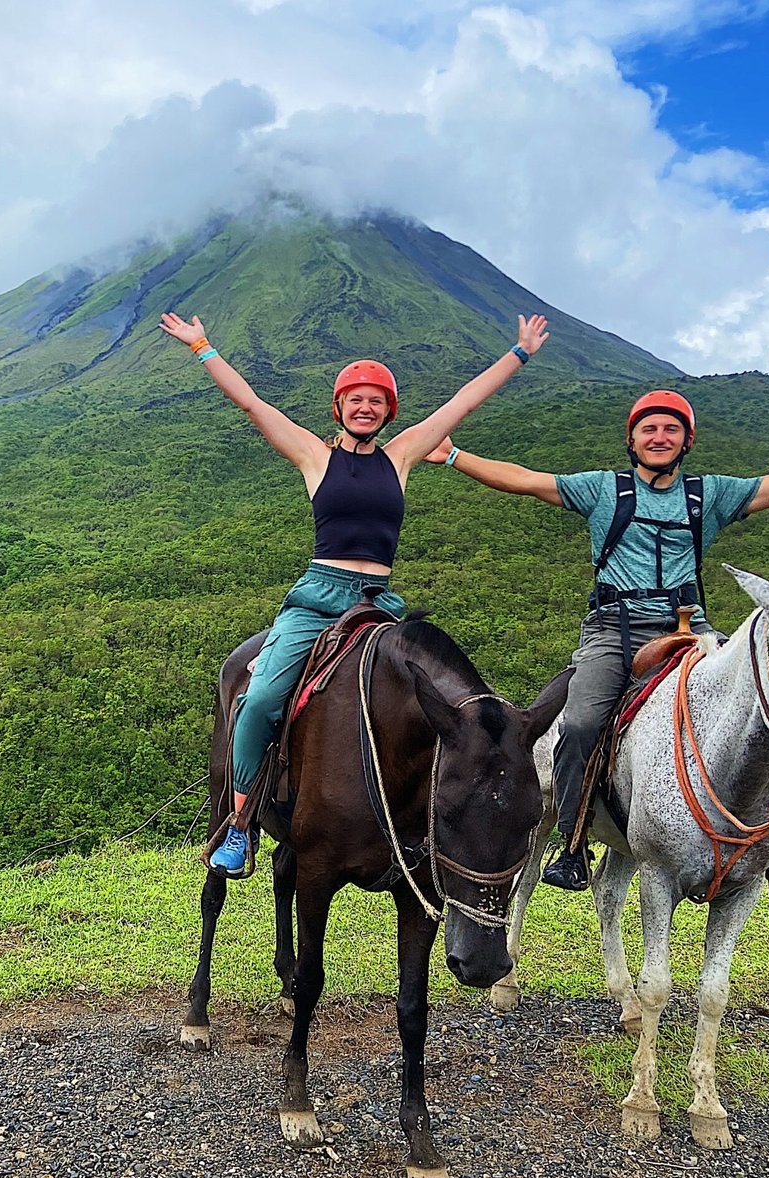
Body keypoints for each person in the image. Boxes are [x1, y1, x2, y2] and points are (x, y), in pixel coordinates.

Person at [429, 389, 769, 890]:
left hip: (690, 629)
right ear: (632, 442)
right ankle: (573, 841)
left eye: (670, 429)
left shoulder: (708, 495)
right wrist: (453, 454)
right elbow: (523, 480)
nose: (659, 436)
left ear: (686, 440)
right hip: (615, 630)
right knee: (582, 721)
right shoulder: (602, 490)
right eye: (648, 429)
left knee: (768, 703)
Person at [160, 309, 551, 877]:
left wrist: (518, 354)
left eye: (376, 400)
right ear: (339, 408)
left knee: (429, 698)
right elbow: (252, 404)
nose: (365, 407)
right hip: (318, 596)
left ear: (389, 412)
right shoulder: (315, 457)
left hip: (376, 604)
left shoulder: (402, 456)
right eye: (355, 399)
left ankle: (411, 819)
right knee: (263, 699)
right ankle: (240, 824)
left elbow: (463, 403)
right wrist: (203, 348)